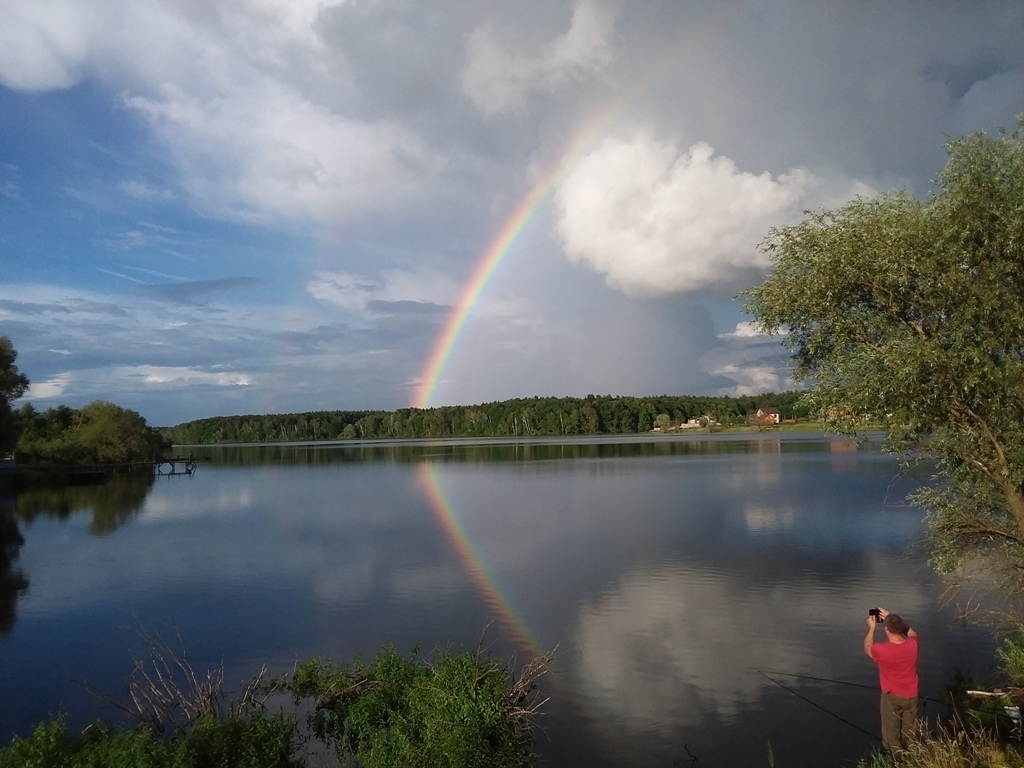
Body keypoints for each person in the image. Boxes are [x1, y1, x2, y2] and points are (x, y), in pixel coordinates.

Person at [864, 607, 919, 753]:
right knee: (909, 732)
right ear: (900, 628)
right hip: (912, 696)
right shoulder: (913, 644)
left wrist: (871, 628)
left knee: (891, 733)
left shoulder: (881, 650)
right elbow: (912, 633)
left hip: (892, 697)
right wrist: (892, 618)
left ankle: (895, 757)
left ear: (886, 630)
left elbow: (868, 648)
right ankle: (912, 754)